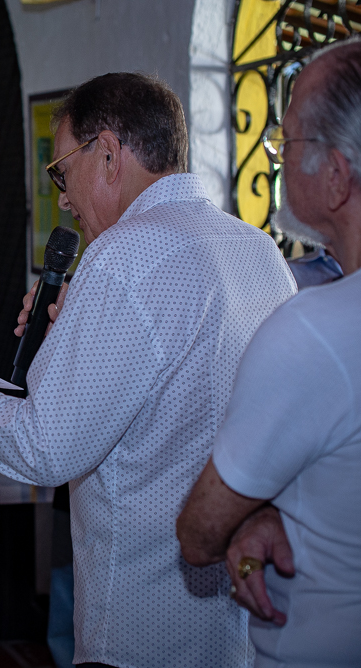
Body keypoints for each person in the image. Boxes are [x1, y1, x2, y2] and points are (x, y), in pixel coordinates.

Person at [0, 72, 296, 668]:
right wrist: (71, 331)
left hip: (142, 614)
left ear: (107, 153)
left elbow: (46, 447)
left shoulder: (123, 255)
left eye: (61, 172)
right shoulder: (255, 248)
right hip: (237, 611)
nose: (64, 198)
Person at [177, 38, 361, 667]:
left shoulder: (315, 329)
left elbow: (199, 533)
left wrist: (245, 514)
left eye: (291, 142)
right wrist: (285, 513)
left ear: (336, 175)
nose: (275, 154)